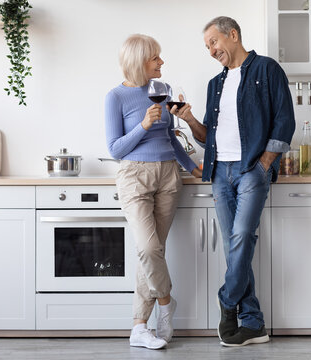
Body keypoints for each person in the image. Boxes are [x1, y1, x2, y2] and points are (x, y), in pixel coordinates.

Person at [169, 16, 295, 347]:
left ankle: (227, 300)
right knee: (233, 245)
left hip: (251, 168)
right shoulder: (215, 84)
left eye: (214, 42)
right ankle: (252, 323)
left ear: (233, 35)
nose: (211, 51)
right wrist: (189, 119)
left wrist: (264, 165)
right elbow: (206, 136)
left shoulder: (267, 70)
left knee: (241, 236)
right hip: (219, 172)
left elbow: (284, 120)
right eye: (207, 46)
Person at [105, 34, 202, 350]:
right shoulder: (116, 97)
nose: (162, 62)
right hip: (134, 177)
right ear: (139, 62)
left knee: (153, 251)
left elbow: (172, 138)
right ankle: (165, 302)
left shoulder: (162, 90)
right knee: (148, 249)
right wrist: (143, 125)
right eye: (156, 58)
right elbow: (116, 149)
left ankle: (138, 327)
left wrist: (191, 166)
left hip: (168, 176)